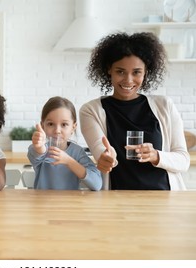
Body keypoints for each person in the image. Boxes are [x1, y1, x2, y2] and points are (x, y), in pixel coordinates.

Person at [79, 32, 190, 190]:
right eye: (120, 71)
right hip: (117, 201)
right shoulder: (91, 110)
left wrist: (156, 155)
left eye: (136, 72)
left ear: (146, 72)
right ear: (109, 69)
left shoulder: (165, 105)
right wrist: (106, 158)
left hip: (164, 200)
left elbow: (183, 160)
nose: (128, 80)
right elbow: (101, 151)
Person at [27, 96, 102, 190]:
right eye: (50, 124)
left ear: (73, 127)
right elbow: (37, 154)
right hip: (43, 203)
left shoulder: (77, 152)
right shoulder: (39, 149)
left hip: (69, 204)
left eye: (64, 124)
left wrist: (69, 161)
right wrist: (39, 147)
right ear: (43, 126)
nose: (57, 130)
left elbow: (97, 184)